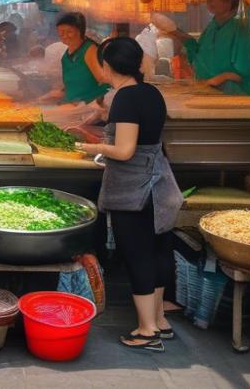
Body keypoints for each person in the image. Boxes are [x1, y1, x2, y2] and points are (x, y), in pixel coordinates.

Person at [75, 38, 183, 352]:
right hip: (159, 185)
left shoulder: (125, 98)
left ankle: (147, 330)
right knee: (158, 251)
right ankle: (160, 320)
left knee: (137, 257)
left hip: (135, 189)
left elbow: (124, 150)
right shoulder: (151, 93)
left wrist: (88, 147)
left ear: (110, 65)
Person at [170, 0, 250, 95]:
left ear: (228, 3)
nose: (209, 3)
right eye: (208, 0)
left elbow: (243, 70)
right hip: (209, 88)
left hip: (232, 91)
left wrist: (221, 78)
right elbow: (198, 51)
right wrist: (175, 32)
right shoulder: (212, 27)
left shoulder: (239, 28)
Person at [42, 12, 109, 103]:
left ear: (80, 31)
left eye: (69, 32)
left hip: (89, 110)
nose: (65, 36)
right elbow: (77, 83)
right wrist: (59, 92)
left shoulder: (90, 50)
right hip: (73, 107)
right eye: (61, 32)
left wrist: (95, 105)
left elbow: (105, 81)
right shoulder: (66, 56)